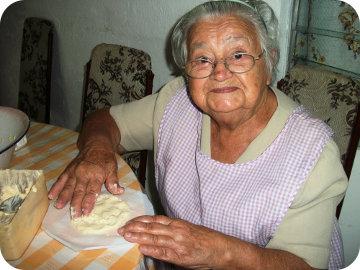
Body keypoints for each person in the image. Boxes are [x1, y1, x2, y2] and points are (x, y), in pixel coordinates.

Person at [48, 0, 348, 269]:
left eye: (239, 55)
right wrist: (97, 149)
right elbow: (105, 121)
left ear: (268, 64)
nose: (219, 72)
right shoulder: (176, 102)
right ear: (187, 70)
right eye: (202, 59)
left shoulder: (313, 152)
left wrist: (220, 253)